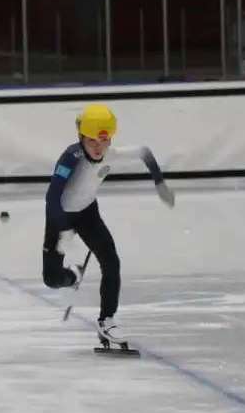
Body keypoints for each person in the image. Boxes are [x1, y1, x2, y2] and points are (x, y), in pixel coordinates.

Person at [42, 103, 175, 346]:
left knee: (111, 261)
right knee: (51, 279)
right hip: (60, 215)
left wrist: (160, 184)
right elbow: (52, 197)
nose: (98, 147)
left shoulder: (112, 153)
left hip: (88, 213)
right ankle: (74, 275)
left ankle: (107, 321)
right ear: (81, 137)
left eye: (104, 141)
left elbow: (145, 152)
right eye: (92, 141)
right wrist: (63, 230)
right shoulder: (71, 157)